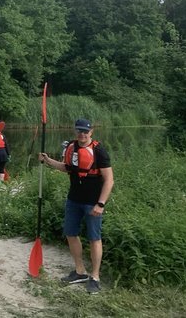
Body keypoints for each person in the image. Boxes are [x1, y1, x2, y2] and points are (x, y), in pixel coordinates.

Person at [39, 118, 114, 295]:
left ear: (91, 132)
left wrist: (101, 203)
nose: (82, 134)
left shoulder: (99, 151)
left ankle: (95, 277)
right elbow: (67, 168)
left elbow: (109, 180)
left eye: (85, 131)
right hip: (73, 200)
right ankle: (80, 271)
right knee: (71, 233)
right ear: (76, 131)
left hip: (92, 202)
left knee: (94, 238)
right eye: (79, 130)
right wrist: (48, 161)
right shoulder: (71, 147)